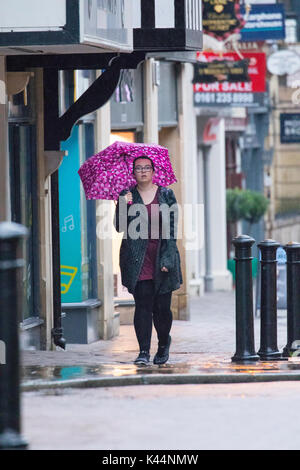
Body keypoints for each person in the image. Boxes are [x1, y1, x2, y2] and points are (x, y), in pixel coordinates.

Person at [113, 156, 183, 366]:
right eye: (138, 168)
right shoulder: (127, 195)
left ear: (153, 171)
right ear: (133, 173)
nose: (142, 171)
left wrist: (168, 259)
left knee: (162, 308)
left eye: (146, 168)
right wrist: (122, 205)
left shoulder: (166, 194)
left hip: (161, 254)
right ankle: (143, 351)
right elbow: (119, 226)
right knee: (143, 305)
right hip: (137, 259)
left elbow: (172, 231)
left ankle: (163, 343)